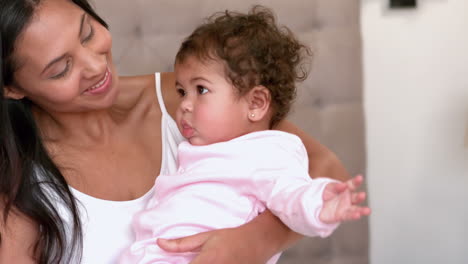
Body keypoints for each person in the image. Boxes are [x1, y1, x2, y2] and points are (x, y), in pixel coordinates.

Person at [0, 0, 352, 263]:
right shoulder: (16, 178)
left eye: (88, 33)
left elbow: (324, 169)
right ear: (11, 88)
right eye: (61, 68)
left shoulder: (185, 95)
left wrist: (254, 241)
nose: (95, 65)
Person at [120, 6, 370, 264]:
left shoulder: (268, 151)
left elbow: (290, 194)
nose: (184, 104)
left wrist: (319, 204)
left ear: (256, 104)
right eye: (182, 91)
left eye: (201, 90)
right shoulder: (202, 149)